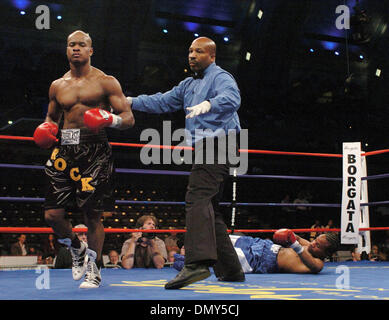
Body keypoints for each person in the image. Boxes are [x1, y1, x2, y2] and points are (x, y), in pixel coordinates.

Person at [127, 36, 244, 289]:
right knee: (210, 208)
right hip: (205, 145)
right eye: (190, 50)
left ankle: (197, 263)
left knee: (197, 197)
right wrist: (131, 102)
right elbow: (162, 100)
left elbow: (233, 98)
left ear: (211, 56)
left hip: (220, 142)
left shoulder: (220, 76)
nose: (192, 55)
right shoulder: (188, 84)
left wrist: (208, 104)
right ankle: (232, 270)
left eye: (198, 51)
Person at [33, 30, 135, 288]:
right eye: (71, 45)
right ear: (66, 50)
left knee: (93, 215)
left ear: (91, 50)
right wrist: (47, 128)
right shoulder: (57, 85)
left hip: (94, 151)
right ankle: (78, 249)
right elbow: (51, 117)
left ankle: (95, 268)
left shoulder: (106, 82)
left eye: (81, 45)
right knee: (52, 215)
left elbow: (129, 118)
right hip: (64, 152)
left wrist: (109, 119)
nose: (76, 48)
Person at [174, 229, 340, 274]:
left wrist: (294, 243)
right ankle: (190, 248)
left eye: (318, 245)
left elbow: (309, 262)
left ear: (326, 254)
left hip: (260, 262)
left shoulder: (317, 264)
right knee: (221, 238)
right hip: (262, 245)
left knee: (223, 256)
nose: (313, 244)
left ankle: (189, 262)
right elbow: (292, 235)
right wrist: (287, 234)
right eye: (316, 239)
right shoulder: (310, 245)